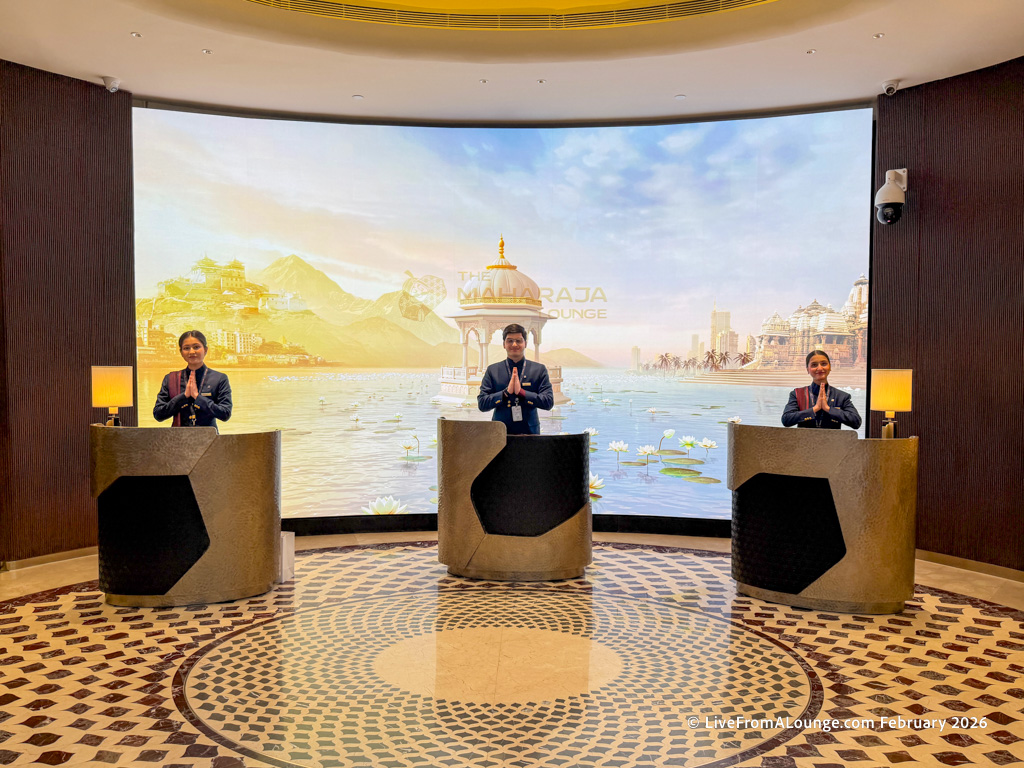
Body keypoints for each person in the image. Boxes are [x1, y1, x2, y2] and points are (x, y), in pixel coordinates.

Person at [477, 324, 553, 435]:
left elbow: (548, 402)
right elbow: (482, 404)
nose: (514, 344)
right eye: (510, 341)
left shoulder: (539, 369)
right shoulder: (493, 370)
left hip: (530, 433)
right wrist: (505, 393)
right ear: (504, 344)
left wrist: (522, 392)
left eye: (518, 341)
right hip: (500, 433)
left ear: (525, 343)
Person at [153, 330, 233, 428]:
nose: (191, 352)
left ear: (205, 350)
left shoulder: (219, 378)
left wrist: (198, 397)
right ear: (181, 352)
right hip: (179, 436)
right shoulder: (171, 379)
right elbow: (158, 414)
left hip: (209, 436)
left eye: (196, 347)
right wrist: (183, 397)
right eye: (186, 348)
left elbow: (225, 414)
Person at [781, 350, 862, 429]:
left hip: (832, 439)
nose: (819, 368)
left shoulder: (841, 396)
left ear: (830, 367)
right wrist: (815, 409)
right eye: (814, 365)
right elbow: (786, 420)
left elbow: (856, 422)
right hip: (804, 438)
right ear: (807, 369)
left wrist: (828, 409)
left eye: (824, 364)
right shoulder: (798, 394)